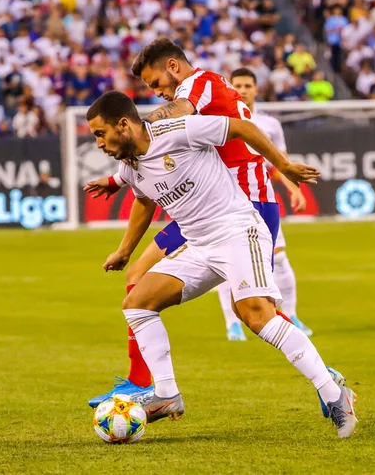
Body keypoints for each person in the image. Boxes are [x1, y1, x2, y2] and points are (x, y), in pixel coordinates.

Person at [86, 91, 358, 438]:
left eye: (99, 133)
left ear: (123, 124)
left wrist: (284, 166)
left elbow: (242, 127)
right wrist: (124, 251)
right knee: (137, 304)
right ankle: (167, 394)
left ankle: (335, 395)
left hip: (236, 231)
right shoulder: (130, 165)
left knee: (255, 313)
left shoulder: (178, 131)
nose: (97, 143)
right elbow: (143, 201)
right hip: (199, 246)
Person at [85, 39, 292, 406]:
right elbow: (154, 160)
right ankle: (143, 382)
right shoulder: (201, 87)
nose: (158, 92)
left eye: (155, 83)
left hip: (238, 202)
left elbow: (177, 113)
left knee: (254, 310)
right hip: (212, 205)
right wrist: (118, 179)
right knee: (138, 283)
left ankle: (324, 374)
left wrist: (137, 123)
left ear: (173, 67)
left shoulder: (196, 84)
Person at [221, 68, 313, 339]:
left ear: (256, 89)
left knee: (280, 258)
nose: (244, 89)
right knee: (229, 266)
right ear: (230, 87)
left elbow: (280, 162)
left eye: (248, 85)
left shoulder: (270, 124)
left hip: (262, 198)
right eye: (238, 84)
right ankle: (233, 324)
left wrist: (295, 190)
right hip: (229, 202)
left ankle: (292, 314)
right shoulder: (220, 121)